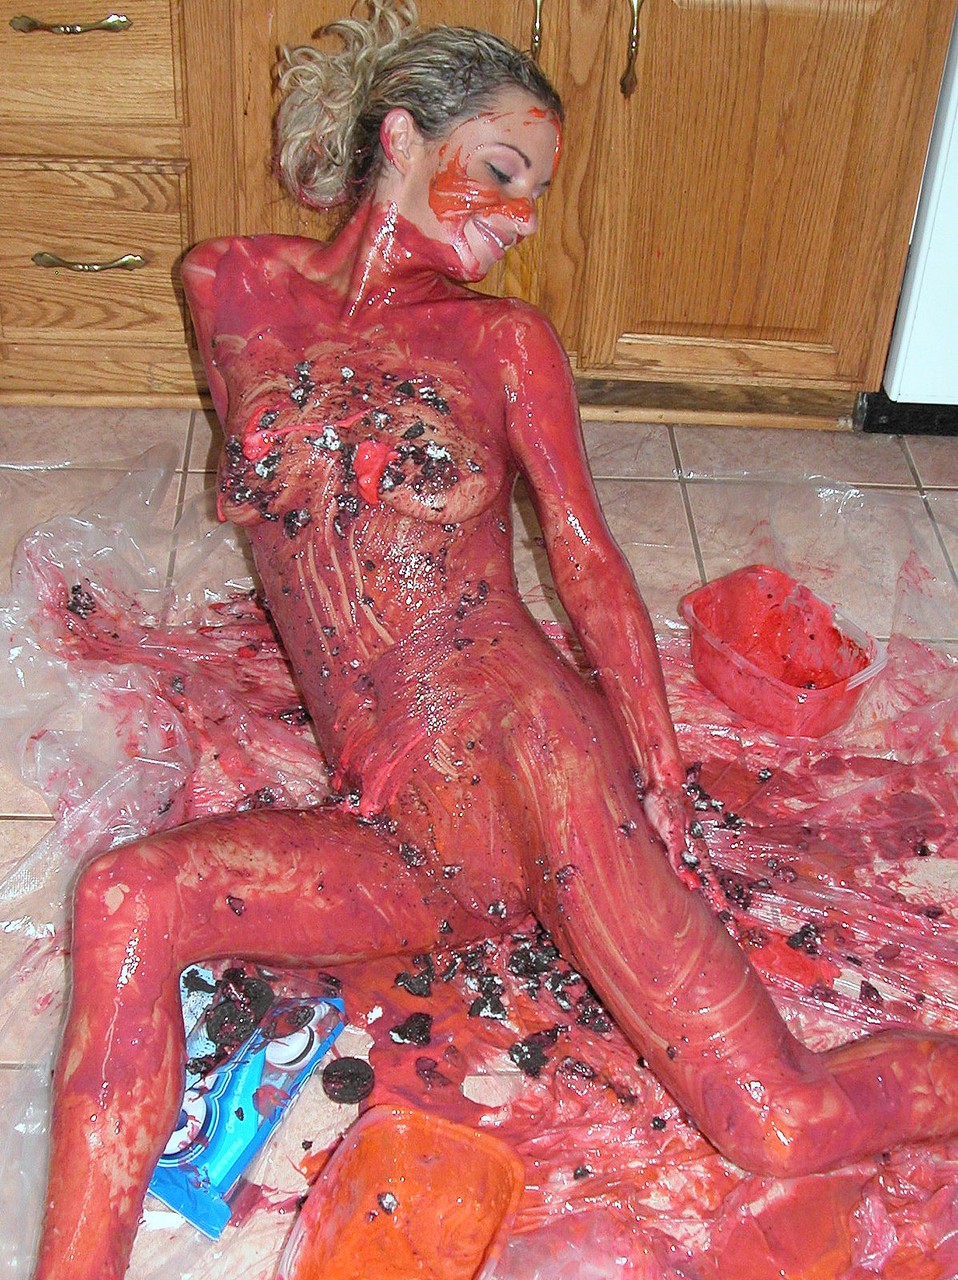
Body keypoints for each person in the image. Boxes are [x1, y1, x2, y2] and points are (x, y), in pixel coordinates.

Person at [31, 3, 958, 1277]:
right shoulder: (226, 283)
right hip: (398, 820)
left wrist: (657, 775)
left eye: (535, 194)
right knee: (124, 895)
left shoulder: (500, 343)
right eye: (504, 173)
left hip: (534, 768)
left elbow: (588, 564)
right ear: (400, 139)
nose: (520, 218)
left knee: (778, 1122)